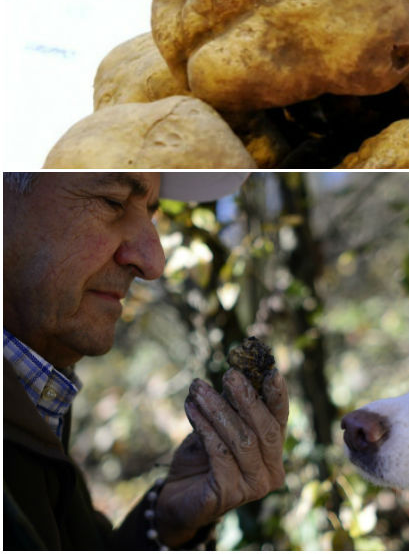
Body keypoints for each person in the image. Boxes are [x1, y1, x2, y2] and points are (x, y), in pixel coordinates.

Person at [4, 171, 289, 549]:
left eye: (151, 214)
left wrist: (166, 524)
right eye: (113, 202)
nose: (153, 263)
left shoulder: (36, 394)